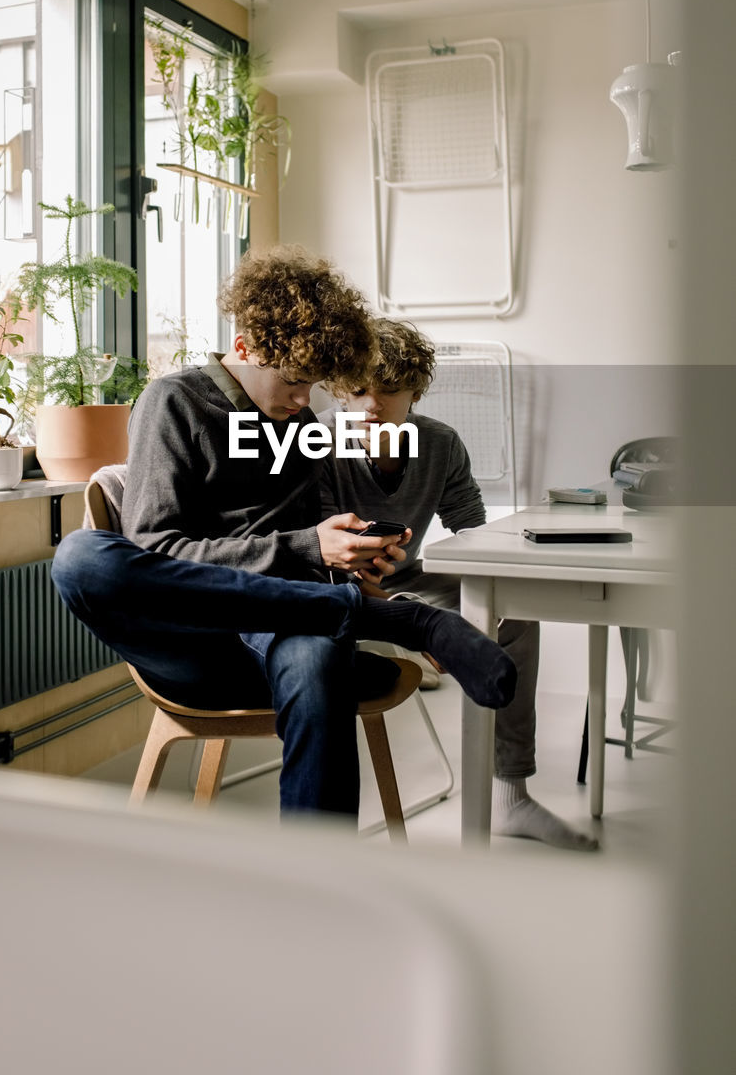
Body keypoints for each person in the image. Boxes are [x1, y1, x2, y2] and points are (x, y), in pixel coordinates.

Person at [52, 248, 515, 821]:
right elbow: (158, 553)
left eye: (314, 385)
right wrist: (306, 547)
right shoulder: (173, 404)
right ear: (244, 348)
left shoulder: (298, 428)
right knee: (81, 559)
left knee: (317, 656)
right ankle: (399, 620)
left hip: (288, 626)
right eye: (295, 382)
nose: (305, 401)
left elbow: (301, 551)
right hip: (191, 639)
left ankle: (318, 883)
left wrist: (345, 555)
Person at [318, 317, 597, 851]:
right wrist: (431, 626)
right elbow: (325, 558)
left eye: (389, 390)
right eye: (357, 390)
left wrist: (501, 577)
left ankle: (510, 795)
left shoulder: (439, 444)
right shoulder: (316, 442)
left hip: (407, 578)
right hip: (335, 586)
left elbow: (472, 530)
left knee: (512, 609)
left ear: (415, 392)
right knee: (441, 615)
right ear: (338, 387)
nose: (372, 404)